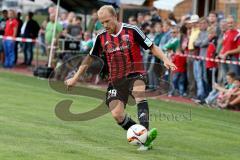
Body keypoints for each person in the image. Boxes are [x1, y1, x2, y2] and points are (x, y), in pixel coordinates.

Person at [65, 5, 176, 151]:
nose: (105, 25)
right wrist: (75, 78)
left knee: (138, 93)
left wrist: (165, 59)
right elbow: (89, 59)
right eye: (102, 22)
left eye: (107, 21)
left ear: (115, 17)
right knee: (117, 115)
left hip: (135, 72)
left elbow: (152, 46)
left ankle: (145, 135)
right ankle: (142, 135)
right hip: (116, 79)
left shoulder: (132, 30)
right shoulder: (101, 37)